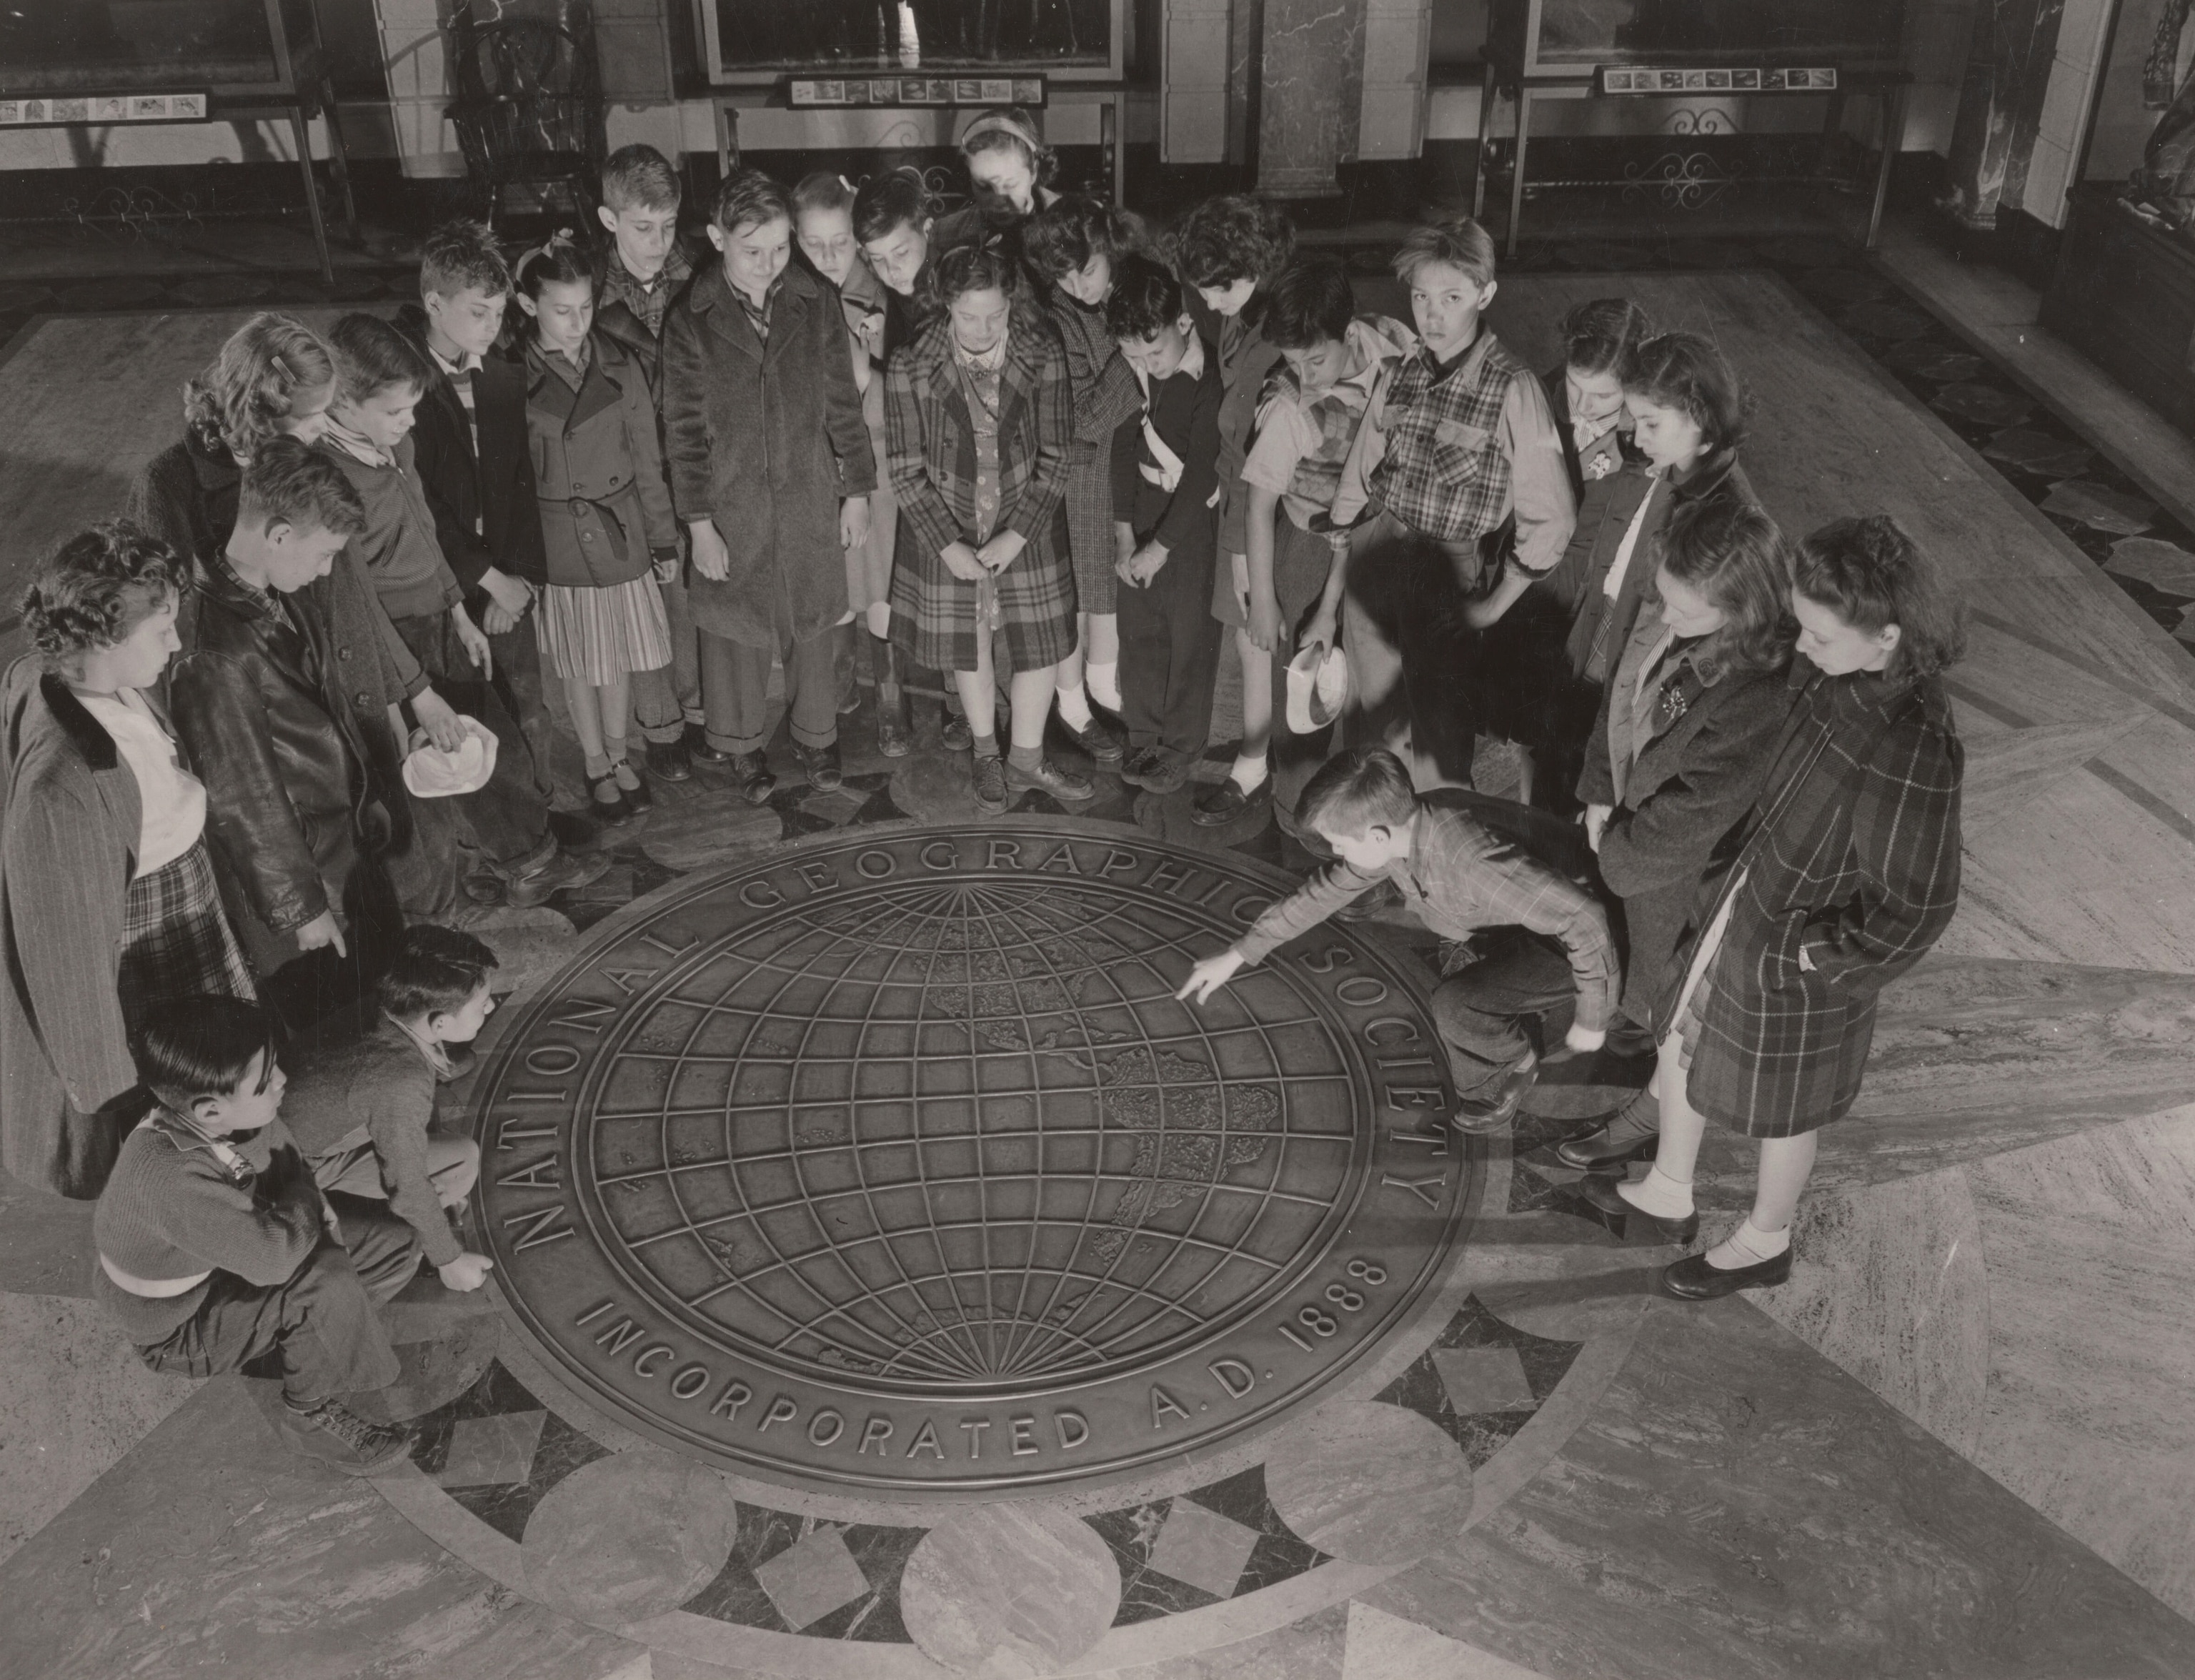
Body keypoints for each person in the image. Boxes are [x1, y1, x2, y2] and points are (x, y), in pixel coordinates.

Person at [1583, 515, 1965, 1298]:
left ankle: (1766, 1239)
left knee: (1789, 1110)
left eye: (1820, 635)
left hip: (1800, 954)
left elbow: (1919, 904)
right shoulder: (1839, 672)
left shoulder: (1912, 743)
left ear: (1888, 636)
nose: (1802, 646)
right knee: (1683, 1039)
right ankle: (1668, 1189)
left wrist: (1811, 957)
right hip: (1747, 903)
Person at [0, 525, 254, 1198]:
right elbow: (64, 958)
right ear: (105, 637)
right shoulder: (62, 789)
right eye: (161, 628)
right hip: (147, 936)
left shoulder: (73, 676)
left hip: (181, 906)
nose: (175, 642)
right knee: (181, 1095)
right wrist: (107, 1093)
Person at [1177, 747, 1618, 1132]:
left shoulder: (1467, 859)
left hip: (1581, 936)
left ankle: (1509, 1068)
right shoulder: (1404, 826)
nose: (1337, 855)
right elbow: (1323, 892)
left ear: (1376, 836)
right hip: (1525, 915)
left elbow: (1585, 919)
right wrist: (1238, 954)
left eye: (1338, 845)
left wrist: (1593, 1019)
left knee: (1456, 1005)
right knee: (1465, 973)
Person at [168, 441, 454, 1025]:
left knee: (377, 989)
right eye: (323, 554)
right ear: (277, 535)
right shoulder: (214, 652)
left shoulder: (271, 594)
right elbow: (241, 801)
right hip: (311, 883)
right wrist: (301, 909)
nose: (327, 571)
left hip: (342, 852)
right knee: (341, 1021)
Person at [319, 313, 601, 901]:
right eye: (395, 411)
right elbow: (358, 606)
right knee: (457, 758)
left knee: (486, 743)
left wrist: (457, 610)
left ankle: (520, 846)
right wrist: (418, 691)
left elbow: (424, 528)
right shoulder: (330, 483)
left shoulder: (393, 442)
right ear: (342, 402)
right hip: (400, 643)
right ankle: (524, 862)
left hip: (440, 622)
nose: (407, 423)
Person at [1556, 497, 1799, 1170]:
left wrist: (1614, 848)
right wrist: (1603, 796)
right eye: (1664, 599)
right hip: (1634, 851)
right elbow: (1627, 702)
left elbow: (1694, 813)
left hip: (1679, 880)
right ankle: (1646, 1088)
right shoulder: (1692, 629)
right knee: (1652, 1007)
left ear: (1742, 609)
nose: (1666, 619)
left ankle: (1653, 1116)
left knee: (1676, 1020)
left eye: (1683, 609)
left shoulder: (1757, 696)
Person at [93, 995, 419, 1473]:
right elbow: (275, 1259)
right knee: (324, 1279)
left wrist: (308, 1203)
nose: (283, 1080)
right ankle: (308, 1415)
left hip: (224, 1266)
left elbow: (287, 1162)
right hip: (182, 1329)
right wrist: (308, 1204)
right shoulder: (170, 1178)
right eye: (266, 1081)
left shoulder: (220, 1116)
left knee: (396, 1246)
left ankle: (300, 1343)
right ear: (208, 1111)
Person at [1333, 217, 1575, 790]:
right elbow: (1359, 476)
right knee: (1371, 723)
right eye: (1420, 296)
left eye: (1452, 297)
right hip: (1377, 553)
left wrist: (1492, 607)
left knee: (1438, 740)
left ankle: (1434, 865)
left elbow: (1553, 518)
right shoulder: (1401, 372)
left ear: (1485, 295)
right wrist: (1342, 559)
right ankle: (1373, 850)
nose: (1432, 315)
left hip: (1445, 570)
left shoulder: (1512, 388)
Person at [662, 169, 877, 800]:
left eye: (782, 248)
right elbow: (682, 429)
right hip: (731, 504)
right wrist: (699, 523)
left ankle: (817, 735)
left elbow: (844, 403)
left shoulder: (815, 302)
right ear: (716, 237)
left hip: (809, 493)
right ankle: (742, 744)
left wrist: (857, 490)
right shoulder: (690, 319)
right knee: (734, 625)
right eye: (752, 250)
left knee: (812, 621)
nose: (769, 264)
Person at [1203, 257, 1415, 831]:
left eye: (1315, 359)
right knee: (1303, 686)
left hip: (1376, 540)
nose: (1307, 374)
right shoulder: (1288, 406)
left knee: (1368, 688)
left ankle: (1365, 815)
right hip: (1309, 543)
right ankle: (1299, 812)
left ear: (1349, 333)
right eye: (1293, 362)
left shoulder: (1396, 351)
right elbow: (1260, 502)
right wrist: (1267, 598)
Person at [885, 243, 1090, 816]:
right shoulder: (910, 364)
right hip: (950, 532)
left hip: (1025, 525)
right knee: (968, 644)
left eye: (994, 315)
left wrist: (1018, 533)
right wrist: (948, 545)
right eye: (969, 315)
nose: (981, 328)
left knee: (1041, 642)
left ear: (1010, 304)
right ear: (946, 304)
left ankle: (1026, 756)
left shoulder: (1041, 353)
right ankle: (985, 753)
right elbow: (904, 471)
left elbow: (1057, 455)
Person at [394, 219, 555, 835]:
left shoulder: (499, 369)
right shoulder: (405, 385)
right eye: (478, 313)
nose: (493, 327)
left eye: (498, 312)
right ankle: (500, 842)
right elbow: (420, 503)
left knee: (531, 712)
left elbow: (520, 485)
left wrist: (518, 583)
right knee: (474, 722)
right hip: (448, 589)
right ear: (434, 304)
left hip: (507, 583)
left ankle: (539, 825)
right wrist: (484, 579)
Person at [514, 233, 680, 825]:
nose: (577, 322)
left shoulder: (620, 364)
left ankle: (618, 751)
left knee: (622, 657)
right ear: (529, 305)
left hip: (621, 534)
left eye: (585, 307)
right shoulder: (512, 376)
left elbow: (647, 465)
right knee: (582, 662)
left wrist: (662, 539)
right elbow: (509, 484)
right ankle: (592, 760)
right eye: (562, 310)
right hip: (559, 542)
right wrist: (519, 561)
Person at [1475, 296, 1657, 814]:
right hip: (1533, 580)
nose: (1580, 406)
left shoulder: (1643, 441)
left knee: (1569, 725)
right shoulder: (1547, 394)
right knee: (1526, 720)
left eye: (1602, 397)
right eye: (1574, 386)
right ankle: (1530, 809)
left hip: (1588, 599)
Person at [283, 924, 495, 1295]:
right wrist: (449, 1259)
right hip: (291, 1169)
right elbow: (409, 1185)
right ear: (440, 1023)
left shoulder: (383, 1008)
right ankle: (344, 1298)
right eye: (482, 1005)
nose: (492, 1007)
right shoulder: (400, 1080)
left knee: (453, 1158)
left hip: (293, 1128)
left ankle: (413, 1221)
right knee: (452, 1176)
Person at [1175, 195, 1295, 802]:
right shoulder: (1242, 313)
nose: (1211, 303)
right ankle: (1259, 747)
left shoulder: (1274, 340)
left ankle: (1256, 762)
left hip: (1265, 509)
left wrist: (1248, 557)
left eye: (1220, 289)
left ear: (1256, 270)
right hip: (1238, 494)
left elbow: (1260, 459)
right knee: (1252, 636)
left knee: (1258, 635)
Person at [594, 143, 708, 782]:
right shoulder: (586, 293)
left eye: (668, 226)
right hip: (624, 466)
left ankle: (699, 716)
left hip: (692, 458)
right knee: (646, 602)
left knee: (694, 599)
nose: (659, 242)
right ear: (610, 221)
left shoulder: (698, 276)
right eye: (643, 228)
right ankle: (660, 726)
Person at [1563, 331, 1755, 709]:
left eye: (1651, 424)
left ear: (1701, 417)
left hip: (1642, 652)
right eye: (1634, 421)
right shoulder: (1657, 460)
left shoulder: (1732, 516)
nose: (1636, 439)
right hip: (1598, 617)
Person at [1023, 194, 1145, 765]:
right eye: (1065, 277)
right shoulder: (1056, 315)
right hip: (1080, 473)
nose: (1079, 286)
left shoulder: (1136, 287)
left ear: (1110, 247)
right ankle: (1073, 704)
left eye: (1088, 270)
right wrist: (1133, 355)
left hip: (1131, 465)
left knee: (1111, 585)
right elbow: (1082, 417)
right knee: (1079, 587)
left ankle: (1103, 685)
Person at [855, 168, 970, 750]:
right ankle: (890, 696)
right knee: (882, 585)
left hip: (946, 464)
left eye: (901, 252)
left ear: (928, 229)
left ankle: (957, 695)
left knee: (949, 581)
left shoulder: (956, 288)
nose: (893, 270)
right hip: (886, 460)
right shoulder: (868, 292)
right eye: (877, 260)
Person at [794, 169, 905, 748]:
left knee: (879, 585)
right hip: (819, 470)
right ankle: (840, 687)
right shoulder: (793, 299)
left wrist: (868, 372)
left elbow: (903, 387)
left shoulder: (881, 296)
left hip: (878, 464)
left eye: (840, 243)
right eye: (813, 244)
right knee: (835, 588)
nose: (828, 255)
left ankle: (891, 699)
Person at [1108, 254, 1224, 795]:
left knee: (1189, 632)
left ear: (1183, 323)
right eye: (1133, 353)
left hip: (1191, 520)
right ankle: (1143, 734)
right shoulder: (1131, 370)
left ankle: (1180, 746)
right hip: (1143, 502)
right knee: (1141, 626)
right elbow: (1121, 448)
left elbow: (1202, 471)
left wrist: (1162, 548)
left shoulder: (1207, 379)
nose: (1146, 363)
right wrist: (1126, 534)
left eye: (1154, 351)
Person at [127, 313, 337, 565]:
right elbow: (171, 595)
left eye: (325, 410)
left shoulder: (310, 452)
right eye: (308, 416)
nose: (323, 427)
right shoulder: (162, 485)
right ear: (257, 412)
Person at [939, 106, 1063, 277]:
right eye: (984, 187)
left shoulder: (1074, 226)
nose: (998, 201)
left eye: (1010, 185)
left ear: (1034, 171)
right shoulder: (945, 234)